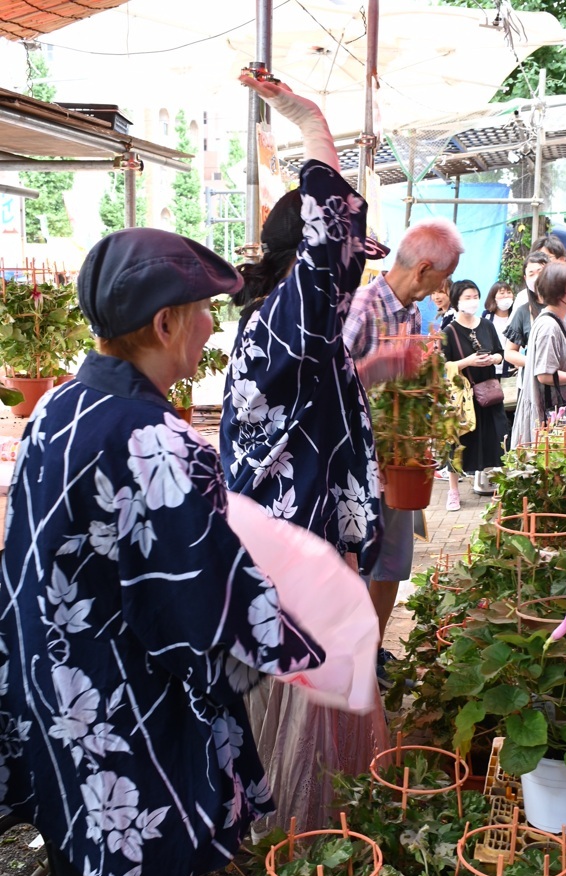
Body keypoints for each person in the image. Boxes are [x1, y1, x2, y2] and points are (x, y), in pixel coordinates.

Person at [0, 219, 330, 876]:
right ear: (164, 324)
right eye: (204, 309)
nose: (214, 325)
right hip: (125, 719)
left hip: (58, 691)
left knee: (87, 862)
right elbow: (201, 603)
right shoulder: (156, 437)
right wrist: (311, 638)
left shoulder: (60, 406)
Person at [220, 76, 396, 833]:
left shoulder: (297, 328)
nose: (356, 266)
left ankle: (303, 841)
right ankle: (297, 851)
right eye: (352, 251)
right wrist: (311, 124)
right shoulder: (292, 307)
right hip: (293, 552)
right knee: (299, 713)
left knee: (310, 705)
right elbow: (327, 236)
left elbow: (310, 406)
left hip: (307, 547)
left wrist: (374, 372)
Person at [342, 218, 464, 655]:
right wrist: (378, 364)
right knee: (357, 565)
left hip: (401, 455)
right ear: (423, 267)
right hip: (358, 464)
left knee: (392, 565)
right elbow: (325, 384)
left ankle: (370, 652)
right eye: (442, 278)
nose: (440, 289)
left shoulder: (412, 311)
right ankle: (350, 659)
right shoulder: (361, 307)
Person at [510, 262, 566, 447]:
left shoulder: (557, 321)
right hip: (546, 422)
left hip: (555, 417)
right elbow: (545, 375)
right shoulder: (549, 326)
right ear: (559, 294)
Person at [441, 279, 507, 504]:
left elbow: (501, 353)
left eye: (475, 297)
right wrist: (467, 362)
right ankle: (453, 492)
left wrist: (493, 358)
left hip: (488, 391)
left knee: (497, 438)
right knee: (458, 442)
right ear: (457, 300)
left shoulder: (486, 325)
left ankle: (499, 488)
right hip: (463, 396)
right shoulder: (449, 330)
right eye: (467, 297)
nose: (472, 301)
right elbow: (442, 365)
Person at [482, 279, 515, 364]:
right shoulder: (487, 317)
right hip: (492, 364)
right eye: (502, 293)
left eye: (509, 292)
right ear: (493, 297)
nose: (506, 296)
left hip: (513, 368)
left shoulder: (516, 315)